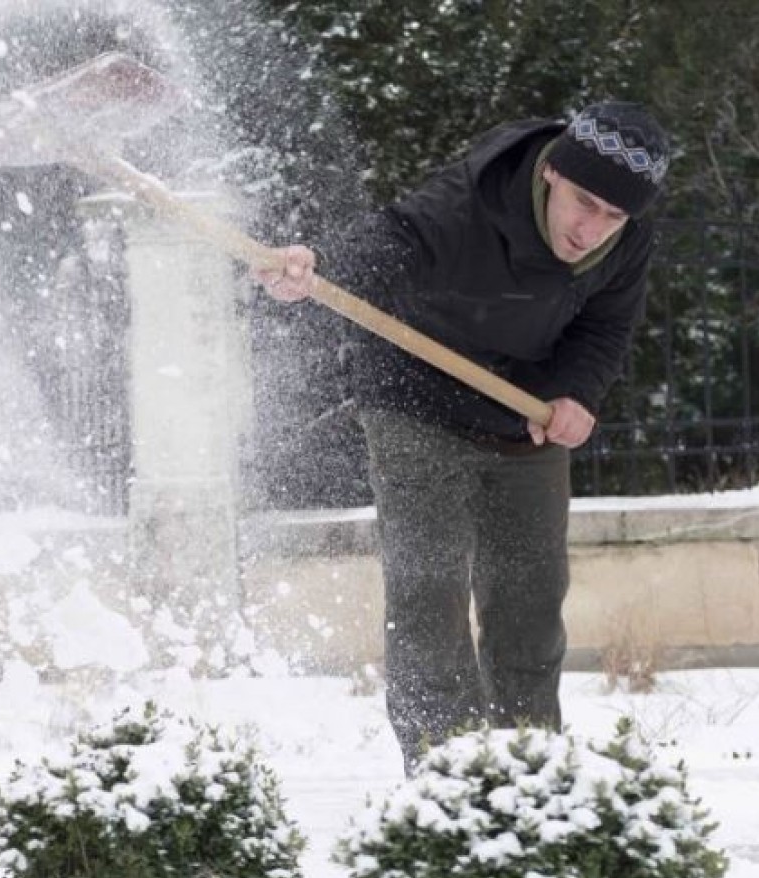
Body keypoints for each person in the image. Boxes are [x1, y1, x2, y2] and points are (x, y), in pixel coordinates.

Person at [255, 102, 672, 771]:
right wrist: (317, 270)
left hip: (524, 409)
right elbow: (390, 244)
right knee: (430, 586)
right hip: (417, 393)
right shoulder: (470, 202)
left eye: (613, 217)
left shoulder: (624, 243)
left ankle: (530, 769)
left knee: (531, 593)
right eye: (584, 202)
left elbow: (605, 328)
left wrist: (576, 393)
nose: (591, 229)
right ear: (553, 174)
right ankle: (444, 774)